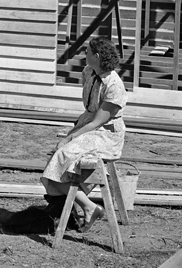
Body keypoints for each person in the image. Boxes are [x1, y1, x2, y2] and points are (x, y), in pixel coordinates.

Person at [40, 36, 127, 232]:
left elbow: (98, 122)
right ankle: (81, 205)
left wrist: (70, 137)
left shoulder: (114, 85)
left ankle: (87, 207)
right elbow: (90, 111)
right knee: (57, 159)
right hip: (88, 125)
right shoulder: (88, 71)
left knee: (63, 155)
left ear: (96, 56)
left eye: (87, 51)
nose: (84, 54)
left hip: (106, 134)